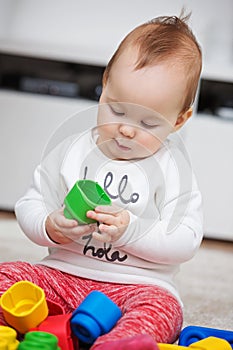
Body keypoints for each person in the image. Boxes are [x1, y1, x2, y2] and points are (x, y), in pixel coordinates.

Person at [0, 11, 203, 350]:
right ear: (104, 85)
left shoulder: (172, 169)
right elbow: (30, 204)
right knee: (8, 275)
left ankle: (118, 343)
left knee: (162, 311)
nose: (126, 128)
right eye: (117, 110)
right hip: (62, 274)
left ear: (179, 120)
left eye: (149, 123)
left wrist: (131, 231)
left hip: (137, 286)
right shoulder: (71, 151)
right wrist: (51, 226)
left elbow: (185, 240)